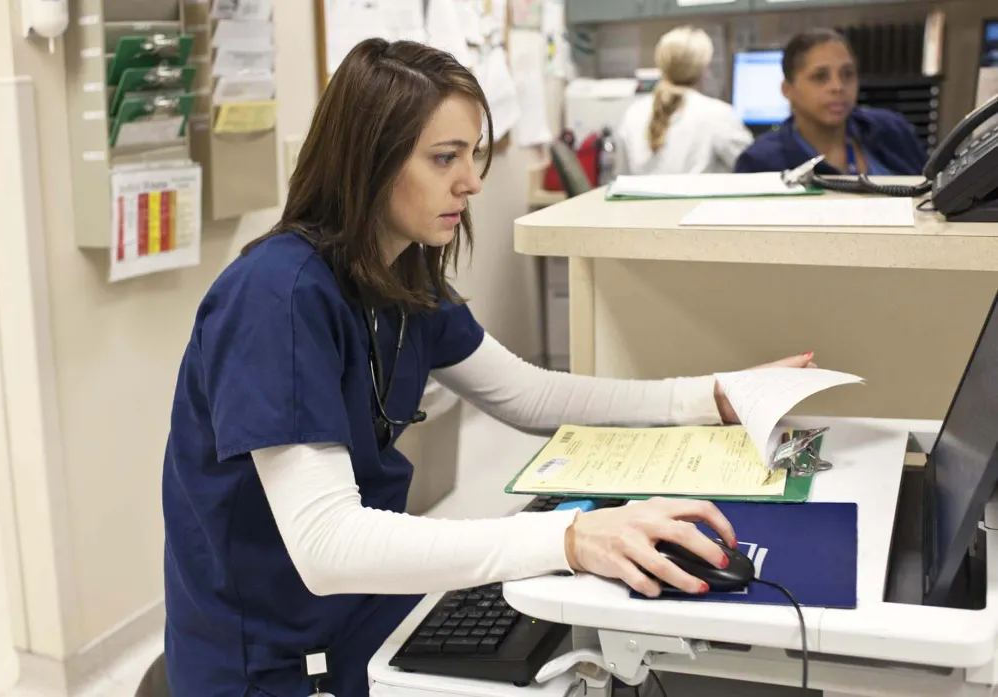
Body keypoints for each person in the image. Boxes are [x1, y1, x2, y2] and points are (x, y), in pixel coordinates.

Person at [161, 38, 817, 697]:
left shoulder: (399, 277)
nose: (471, 181)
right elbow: (327, 544)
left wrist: (707, 396)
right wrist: (569, 535)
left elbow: (527, 395)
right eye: (445, 158)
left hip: (367, 609)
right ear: (368, 161)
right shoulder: (275, 298)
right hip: (271, 659)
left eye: (473, 154)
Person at [734, 28, 927, 175]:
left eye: (847, 74)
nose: (838, 87)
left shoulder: (892, 131)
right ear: (788, 89)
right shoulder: (760, 162)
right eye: (820, 77)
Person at [617, 26, 753, 175]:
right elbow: (754, 168)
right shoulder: (718, 114)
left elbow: (621, 180)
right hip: (702, 199)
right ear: (704, 68)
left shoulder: (633, 114)